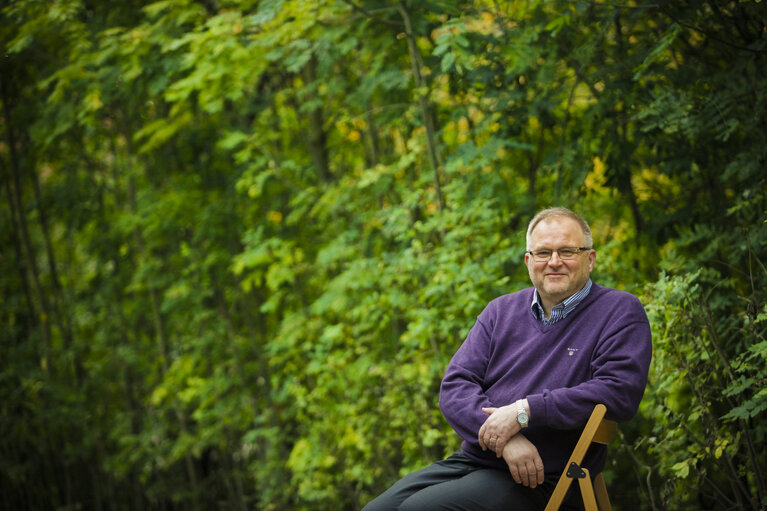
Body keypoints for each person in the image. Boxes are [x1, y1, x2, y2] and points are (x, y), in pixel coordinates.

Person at [363, 207, 652, 511]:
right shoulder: (500, 311)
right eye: (543, 253)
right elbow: (455, 387)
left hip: (546, 476)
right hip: (479, 460)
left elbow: (618, 391)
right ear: (529, 261)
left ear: (590, 259)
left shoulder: (619, 311)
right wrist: (506, 440)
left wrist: (524, 411)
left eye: (567, 251)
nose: (554, 262)